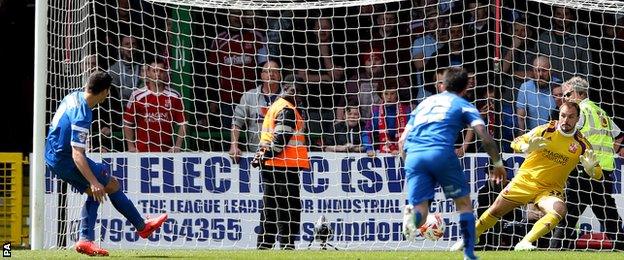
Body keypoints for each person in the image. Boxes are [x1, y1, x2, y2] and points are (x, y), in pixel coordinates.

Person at [452, 101, 603, 252]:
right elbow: (515, 142)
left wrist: (592, 170)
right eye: (563, 115)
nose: (565, 120)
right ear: (559, 115)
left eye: (571, 117)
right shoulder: (545, 130)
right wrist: (525, 147)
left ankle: (525, 242)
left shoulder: (582, 144)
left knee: (559, 209)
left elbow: (598, 174)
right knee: (495, 210)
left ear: (578, 119)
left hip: (549, 190)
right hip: (524, 182)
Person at [44, 71, 168, 256]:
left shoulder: (73, 96)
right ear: (105, 92)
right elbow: (78, 154)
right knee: (104, 184)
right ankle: (141, 227)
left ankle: (87, 240)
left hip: (53, 155)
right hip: (65, 159)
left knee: (104, 186)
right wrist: (93, 182)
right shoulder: (83, 114)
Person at [400, 67, 506, 260]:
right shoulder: (463, 105)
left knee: (421, 212)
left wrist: (410, 166)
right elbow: (485, 137)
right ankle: (468, 255)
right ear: (465, 87)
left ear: (443, 85)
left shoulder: (424, 104)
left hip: (414, 154)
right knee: (464, 205)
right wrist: (497, 163)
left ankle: (411, 219)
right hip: (440, 152)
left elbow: (402, 140)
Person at [550, 77, 624, 250]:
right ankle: (620, 246)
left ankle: (555, 248)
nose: (565, 98)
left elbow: (566, 132)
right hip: (603, 171)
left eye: (568, 94)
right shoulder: (599, 111)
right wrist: (607, 153)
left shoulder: (579, 111)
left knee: (571, 211)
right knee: (606, 212)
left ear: (579, 93)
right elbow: (619, 135)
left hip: (585, 169)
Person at [251, 74, 310, 250]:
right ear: (289, 89)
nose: (299, 95)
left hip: (271, 165)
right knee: (288, 208)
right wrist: (265, 155)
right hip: (284, 166)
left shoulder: (275, 106)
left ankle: (264, 246)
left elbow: (270, 137)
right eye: (297, 91)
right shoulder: (287, 109)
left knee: (270, 208)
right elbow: (281, 138)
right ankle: (287, 246)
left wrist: (261, 156)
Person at [123, 58, 187, 152]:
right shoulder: (137, 95)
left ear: (165, 74)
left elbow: (183, 123)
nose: (158, 74)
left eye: (161, 71)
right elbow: (127, 122)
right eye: (154, 71)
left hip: (166, 152)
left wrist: (177, 146)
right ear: (148, 73)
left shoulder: (175, 96)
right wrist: (131, 146)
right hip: (142, 152)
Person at [229, 60, 283, 163]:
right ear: (261, 75)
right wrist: (234, 146)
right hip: (256, 154)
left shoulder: (288, 97)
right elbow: (236, 122)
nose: (271, 74)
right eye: (267, 71)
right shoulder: (249, 96)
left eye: (275, 71)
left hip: (284, 156)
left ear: (280, 76)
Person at [515, 56, 558, 133]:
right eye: (537, 71)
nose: (540, 74)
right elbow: (521, 120)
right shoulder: (525, 88)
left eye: (544, 71)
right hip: (532, 137)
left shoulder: (559, 86)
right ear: (533, 71)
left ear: (551, 71)